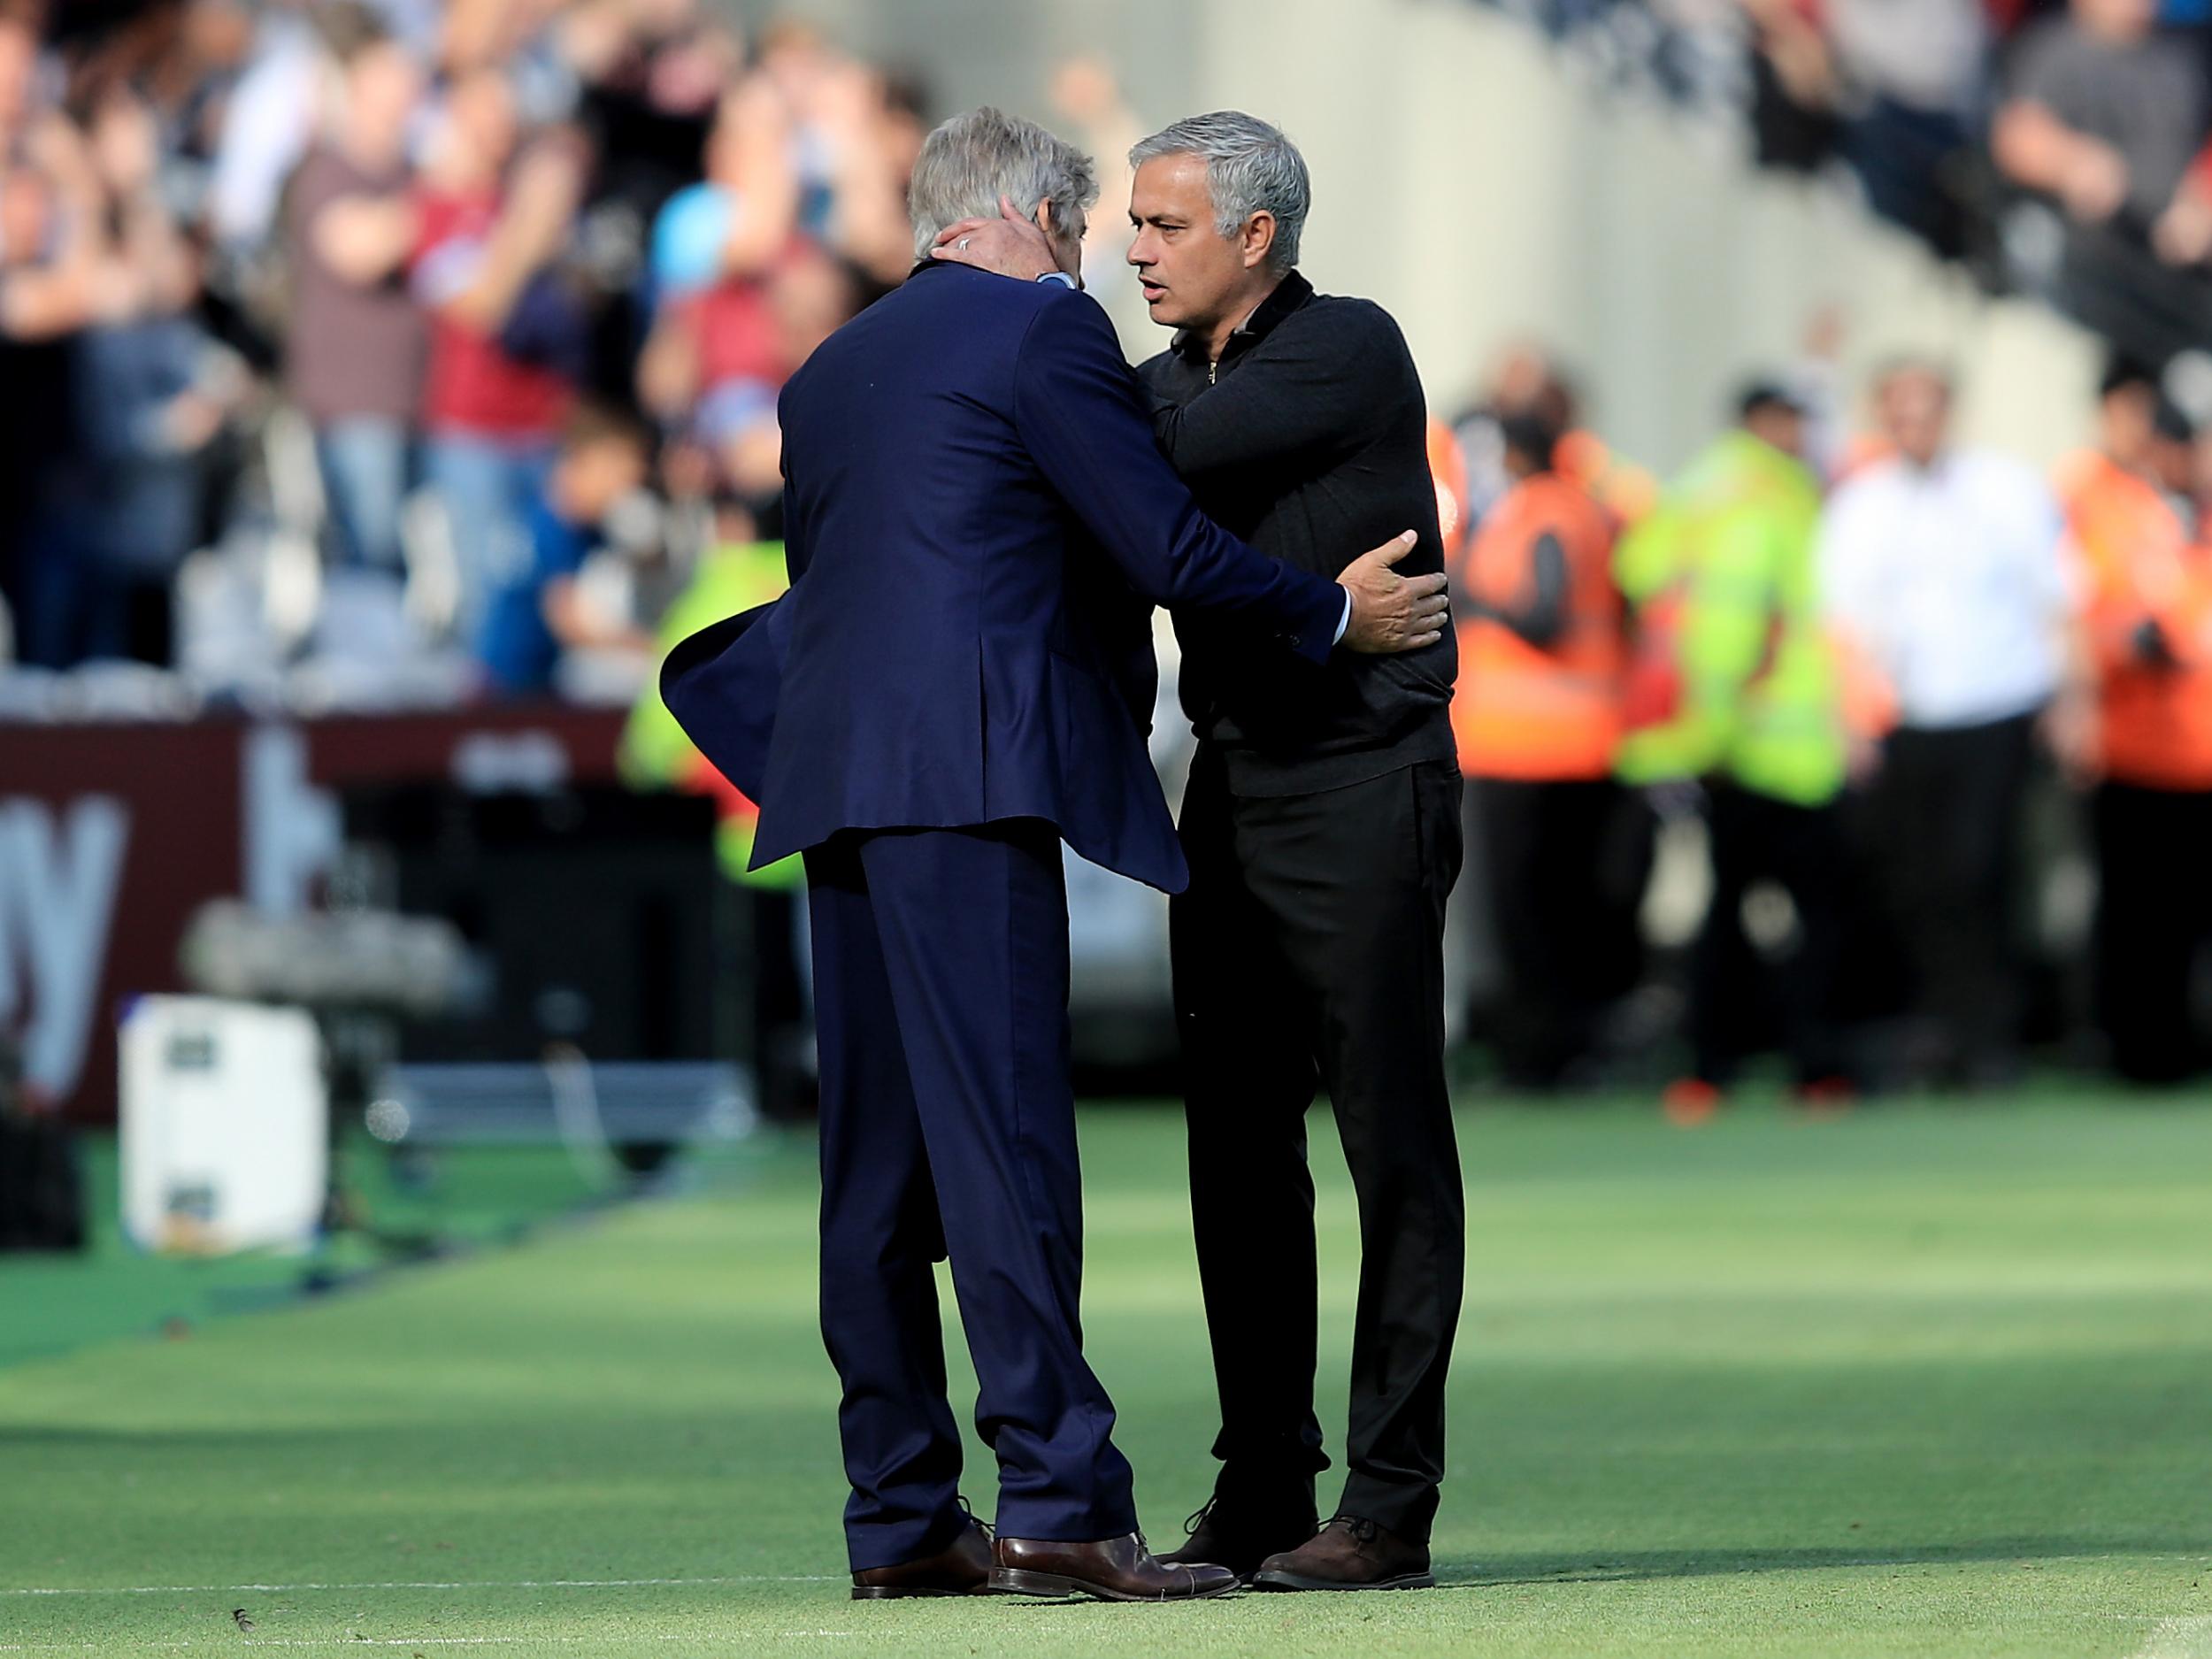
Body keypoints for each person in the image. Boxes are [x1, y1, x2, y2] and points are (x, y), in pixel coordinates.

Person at [657, 107, 1447, 1605]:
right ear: (1025, 212)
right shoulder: (1041, 338)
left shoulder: (831, 369)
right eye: (1090, 226)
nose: (1100, 256)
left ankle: (898, 1517)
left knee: (875, 1177)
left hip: (837, 782)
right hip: (968, 779)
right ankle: (1062, 1502)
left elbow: (866, 567)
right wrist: (1333, 616)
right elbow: (1160, 546)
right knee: (1009, 1143)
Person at [937, 108, 1464, 1594]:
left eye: (1164, 227)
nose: (1131, 247)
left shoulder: (1346, 346)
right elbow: (1124, 472)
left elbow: (1140, 471)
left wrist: (1066, 426)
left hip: (1366, 777)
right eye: (1133, 222)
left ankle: (1391, 1502)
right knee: (1236, 1157)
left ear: (1257, 238)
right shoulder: (1160, 379)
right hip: (1233, 783)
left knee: (1390, 1150)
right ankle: (1262, 1489)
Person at [1820, 360, 2075, 1086]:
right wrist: (1853, 720)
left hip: (1995, 705)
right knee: (1918, 880)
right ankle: (1937, 1031)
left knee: (1982, 867)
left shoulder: (2005, 489)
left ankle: (1993, 1034)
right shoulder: (1863, 503)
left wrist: (2069, 704)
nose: (1914, 426)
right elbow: (1844, 623)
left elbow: (2055, 597)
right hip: (1908, 716)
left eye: (1925, 409)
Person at [1617, 384, 1852, 1118]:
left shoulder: (1693, 490)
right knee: (1806, 916)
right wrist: (1721, 727)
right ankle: (1806, 1067)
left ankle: (1710, 1068)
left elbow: (1640, 577)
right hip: (1773, 745)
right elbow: (1742, 620)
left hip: (1718, 743)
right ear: (1770, 424)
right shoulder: (1770, 494)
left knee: (1723, 912)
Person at [1451, 412, 1638, 1089]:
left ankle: (1540, 1057)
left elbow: (1544, 612)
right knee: (1567, 910)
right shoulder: (1581, 510)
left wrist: (1471, 597)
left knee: (1525, 917)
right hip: (1576, 739)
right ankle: (1569, 1048)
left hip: (1526, 749)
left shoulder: (1540, 512)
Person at [2059, 364, 2212, 1081]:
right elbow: (2090, 619)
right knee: (2142, 917)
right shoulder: (2119, 512)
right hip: (2142, 751)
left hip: (2200, 748)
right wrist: (2137, 641)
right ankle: (2144, 1053)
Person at [280, 0, 426, 576]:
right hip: (354, 403)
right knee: (368, 558)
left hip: (418, 400)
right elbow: (356, 251)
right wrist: (442, 204)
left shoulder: (409, 170)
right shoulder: (328, 170)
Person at [475, 401, 652, 696]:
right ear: (578, 464)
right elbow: (569, 622)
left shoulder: (584, 529)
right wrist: (653, 648)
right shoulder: (554, 529)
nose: (623, 491)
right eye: (615, 476)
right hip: (511, 697)